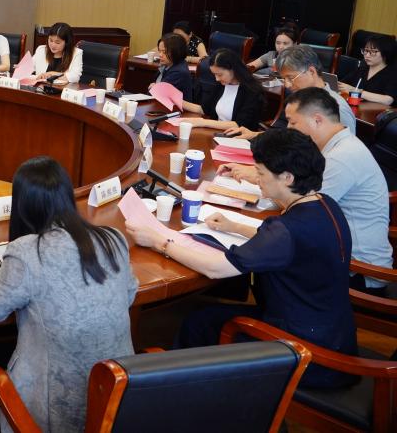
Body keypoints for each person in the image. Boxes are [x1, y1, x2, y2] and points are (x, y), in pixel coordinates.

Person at [127, 128, 358, 389]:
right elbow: (292, 244)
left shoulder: (286, 232)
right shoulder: (324, 203)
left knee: (198, 323)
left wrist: (159, 242)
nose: (257, 180)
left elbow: (216, 269)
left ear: (287, 177)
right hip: (333, 334)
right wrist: (234, 227)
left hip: (308, 354)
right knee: (207, 316)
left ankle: (179, 393)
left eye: (261, 173)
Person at [0, 156, 136, 432]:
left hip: (55, 412)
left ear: (23, 206)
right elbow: (129, 294)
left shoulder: (27, 252)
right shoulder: (113, 238)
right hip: (117, 399)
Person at [220, 87, 392, 292]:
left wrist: (260, 182)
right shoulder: (337, 145)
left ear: (317, 120)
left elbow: (296, 210)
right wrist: (260, 176)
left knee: (261, 263)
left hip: (356, 271)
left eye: (293, 123)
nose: (289, 129)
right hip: (335, 252)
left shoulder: (340, 158)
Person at [227, 44, 356, 140]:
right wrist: (254, 135)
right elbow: (290, 137)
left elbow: (341, 153)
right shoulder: (300, 98)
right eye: (284, 79)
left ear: (311, 71)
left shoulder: (337, 108)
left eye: (291, 78)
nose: (287, 85)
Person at [179, 49, 265, 131]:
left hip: (239, 137)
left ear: (233, 69)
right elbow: (203, 109)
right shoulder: (221, 85)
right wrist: (178, 101)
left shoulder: (252, 91)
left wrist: (203, 122)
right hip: (217, 134)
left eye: (220, 75)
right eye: (214, 75)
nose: (217, 79)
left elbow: (240, 125)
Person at [339, 33, 396, 107]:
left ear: (386, 53)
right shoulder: (362, 69)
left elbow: (388, 100)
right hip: (356, 108)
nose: (367, 55)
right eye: (366, 50)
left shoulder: (393, 74)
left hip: (377, 112)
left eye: (373, 52)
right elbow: (342, 84)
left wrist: (355, 90)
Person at [152, 33, 193, 102]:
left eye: (164, 52)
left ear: (176, 52)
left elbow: (159, 92)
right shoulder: (168, 65)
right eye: (159, 51)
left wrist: (154, 87)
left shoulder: (179, 72)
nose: (160, 55)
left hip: (174, 107)